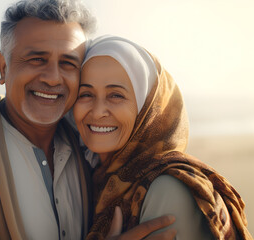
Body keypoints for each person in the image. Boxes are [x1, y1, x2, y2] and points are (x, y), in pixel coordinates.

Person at [0, 1, 176, 239]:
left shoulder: (87, 147)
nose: (53, 77)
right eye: (37, 59)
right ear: (3, 67)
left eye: (68, 63)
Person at [72, 35, 253, 239]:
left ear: (147, 110)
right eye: (85, 94)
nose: (97, 112)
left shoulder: (166, 188)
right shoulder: (92, 178)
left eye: (116, 95)